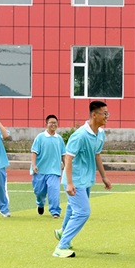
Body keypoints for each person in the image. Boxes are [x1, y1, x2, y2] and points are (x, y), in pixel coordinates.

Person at [52, 101, 112, 258]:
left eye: (107, 113)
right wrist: (70, 183)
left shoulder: (100, 134)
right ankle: (61, 247)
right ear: (94, 115)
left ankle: (62, 232)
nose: (107, 117)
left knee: (73, 209)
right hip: (75, 180)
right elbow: (68, 159)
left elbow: (97, 155)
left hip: (86, 180)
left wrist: (104, 176)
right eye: (104, 114)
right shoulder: (79, 135)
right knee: (83, 212)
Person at [31, 115, 66, 218]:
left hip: (54, 171)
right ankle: (40, 203)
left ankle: (55, 211)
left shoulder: (59, 139)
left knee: (54, 191)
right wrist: (34, 165)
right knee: (39, 192)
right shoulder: (40, 137)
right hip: (40, 170)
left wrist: (66, 166)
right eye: (51, 122)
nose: (53, 124)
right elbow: (34, 152)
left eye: (55, 122)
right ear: (46, 124)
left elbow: (63, 154)